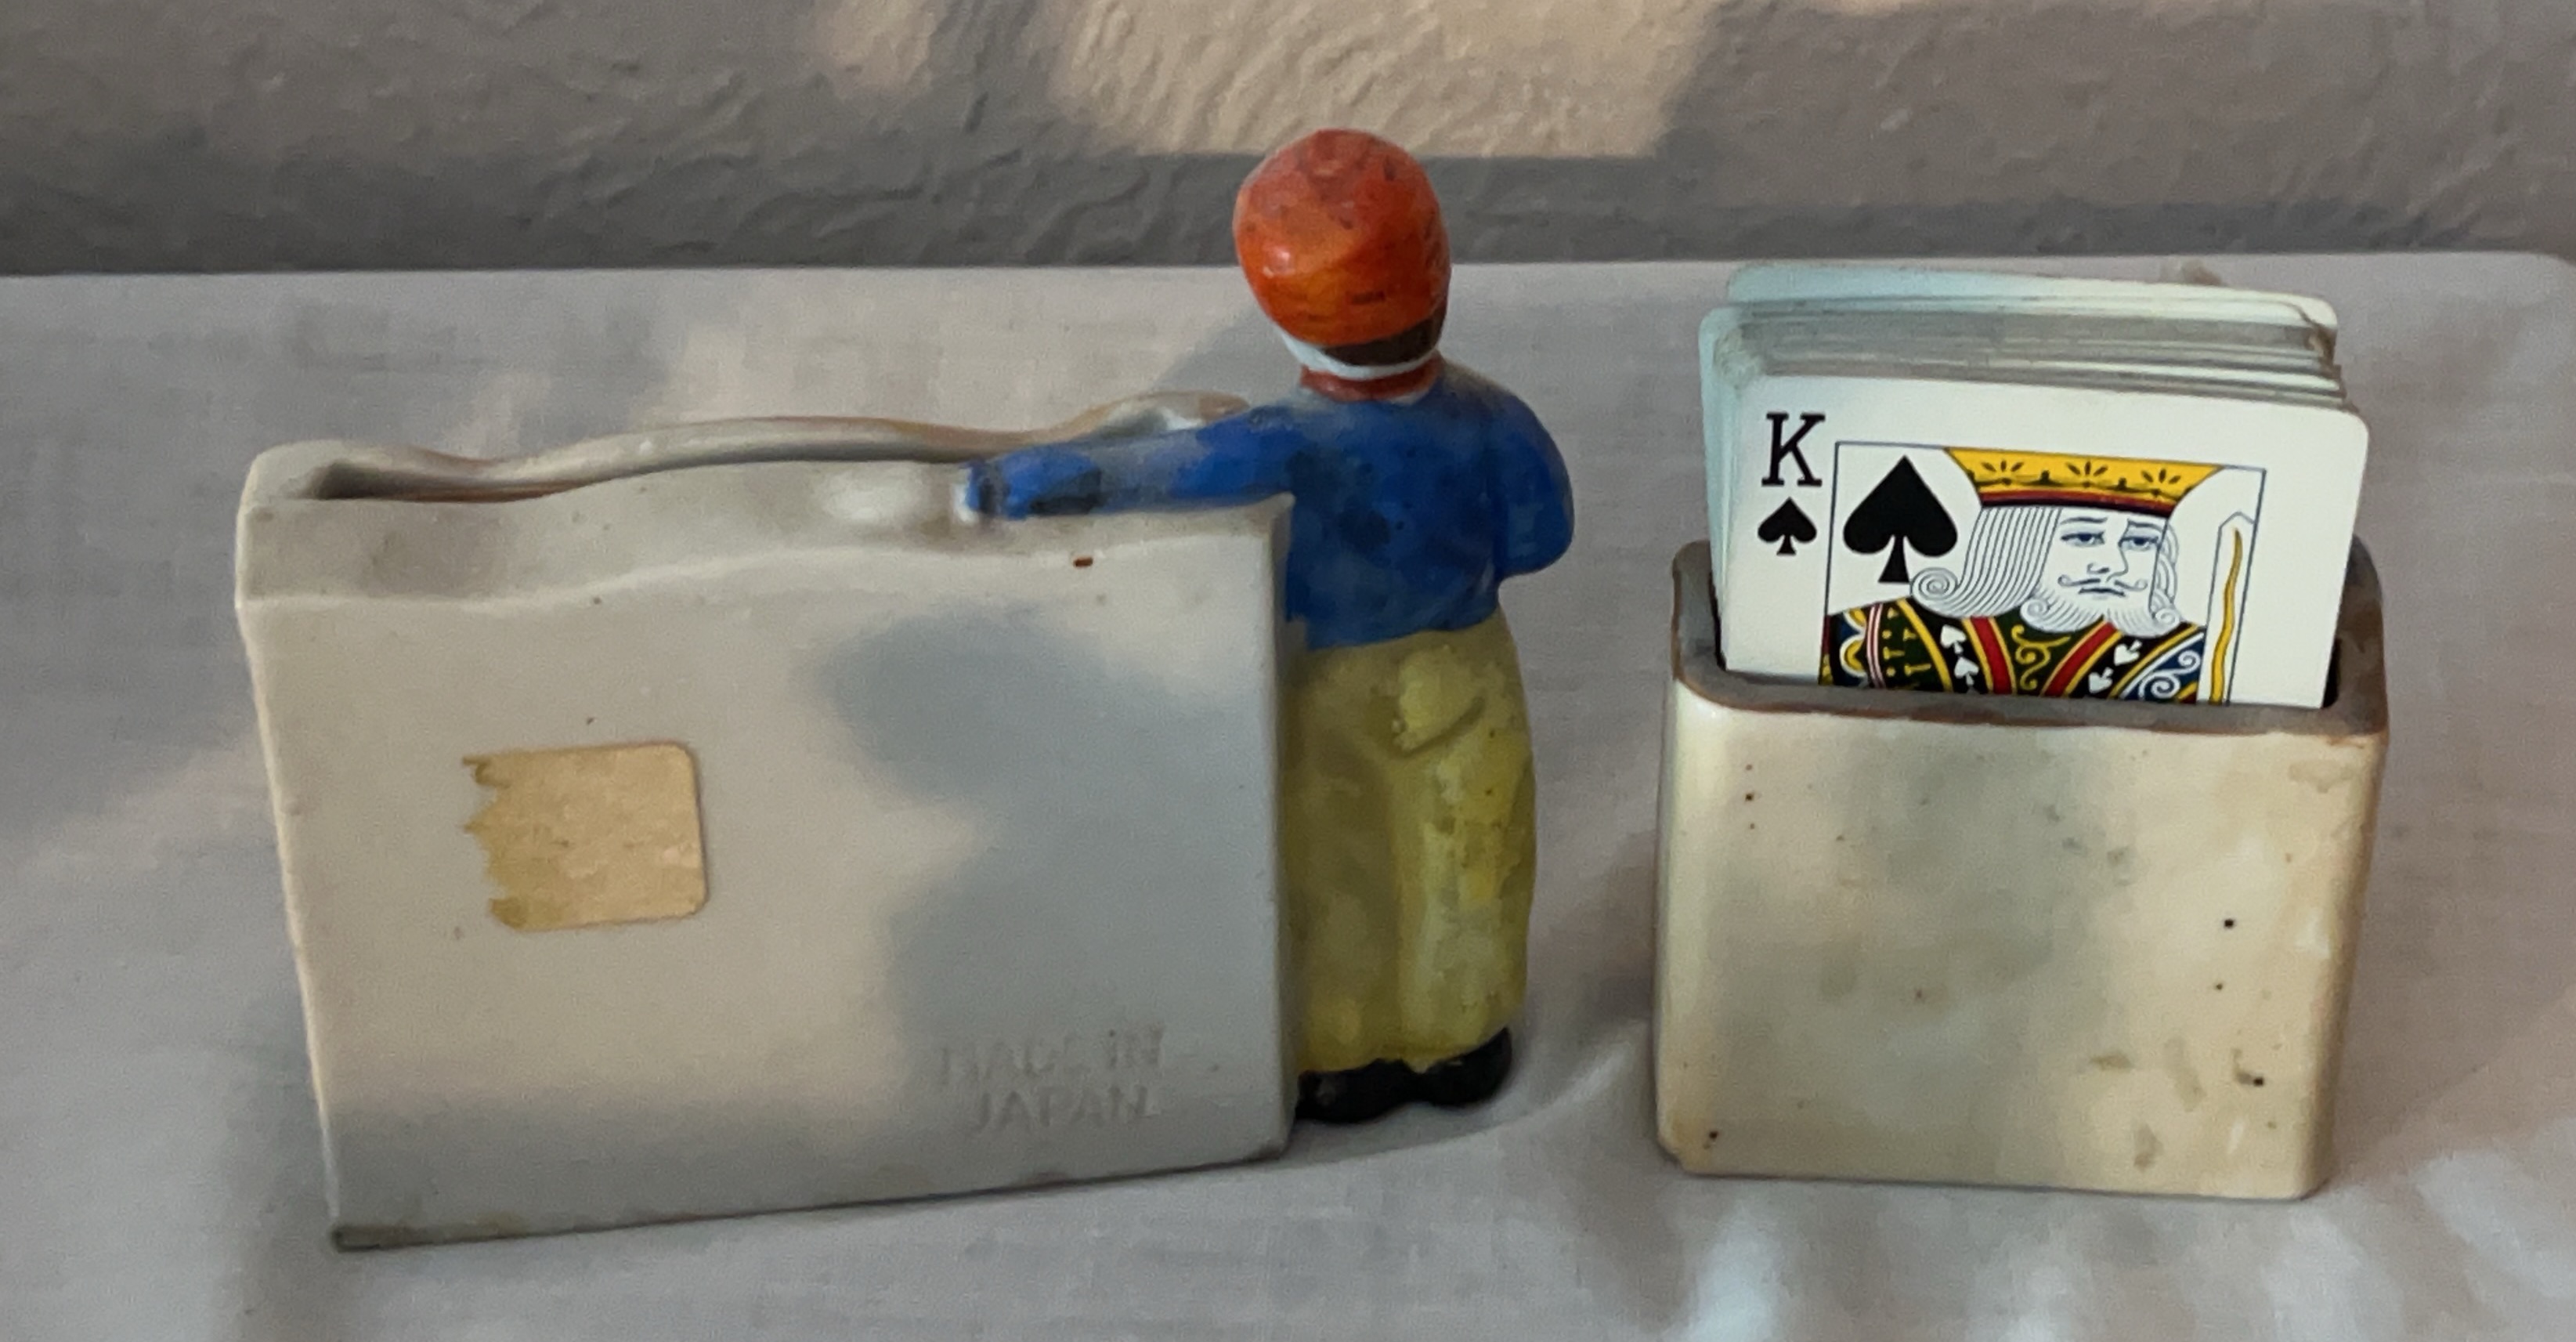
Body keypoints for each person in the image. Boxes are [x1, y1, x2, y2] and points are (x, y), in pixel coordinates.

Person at [966, 128, 1574, 1123]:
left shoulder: (1274, 443)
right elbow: (1545, 535)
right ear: (1438, 279)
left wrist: (1015, 480)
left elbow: (1148, 474)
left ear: (1279, 310)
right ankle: (1460, 1037)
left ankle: (1345, 1049)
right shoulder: (1495, 419)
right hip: (1462, 663)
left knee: (1334, 861)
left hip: (1319, 681)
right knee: (1467, 849)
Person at [1826, 449, 2217, 700]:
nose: (2114, 565)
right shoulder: (1877, 629)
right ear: (2016, 544)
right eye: (2084, 537)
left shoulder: (2191, 653)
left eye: (2141, 542)